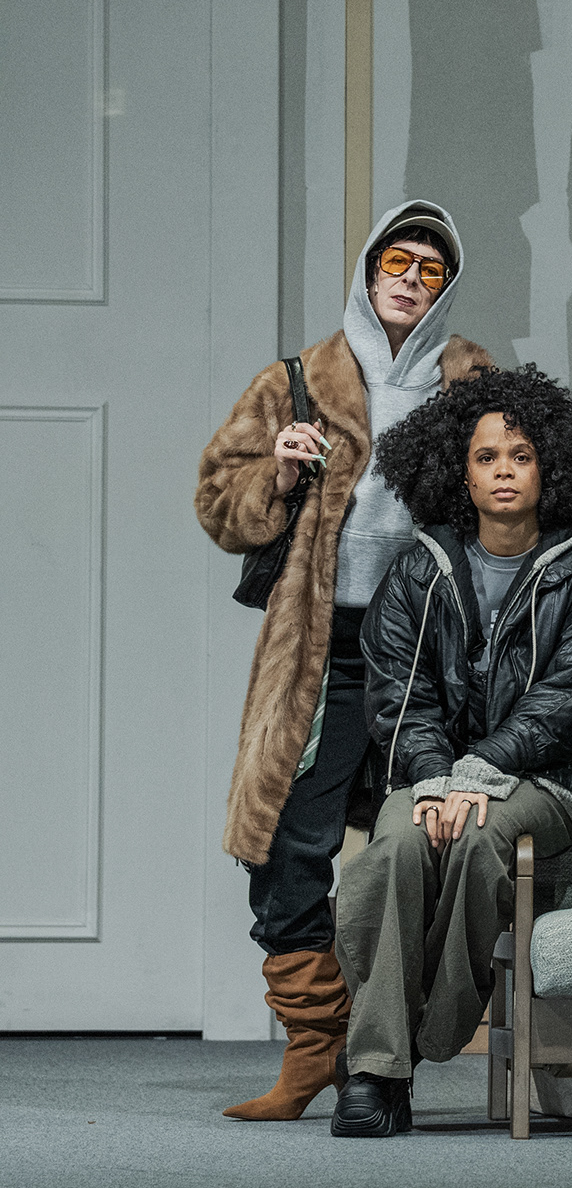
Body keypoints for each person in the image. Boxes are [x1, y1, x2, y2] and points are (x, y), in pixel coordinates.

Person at [196, 201, 494, 1121]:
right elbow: (218, 506)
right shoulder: (295, 380)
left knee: (420, 849)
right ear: (368, 272)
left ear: (446, 288)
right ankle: (315, 1041)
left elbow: (520, 495)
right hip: (321, 649)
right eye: (395, 262)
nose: (410, 280)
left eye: (430, 270)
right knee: (286, 846)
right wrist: (278, 473)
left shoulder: (472, 380)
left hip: (430, 656)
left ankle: (381, 1051)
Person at [329, 367, 572, 1137]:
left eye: (522, 456)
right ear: (458, 473)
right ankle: (375, 1071)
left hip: (546, 779)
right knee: (397, 846)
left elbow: (570, 699)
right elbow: (397, 695)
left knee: (477, 837)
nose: (504, 471)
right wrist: (436, 777)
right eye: (486, 456)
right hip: (425, 772)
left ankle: (419, 1034)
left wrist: (482, 771)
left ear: (552, 467)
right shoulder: (417, 568)